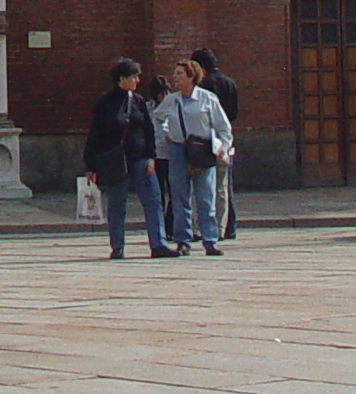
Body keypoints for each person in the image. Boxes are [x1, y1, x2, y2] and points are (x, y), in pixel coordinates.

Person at [82, 58, 172, 259]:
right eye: (133, 77)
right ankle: (117, 246)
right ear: (121, 78)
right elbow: (94, 134)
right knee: (116, 203)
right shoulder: (105, 102)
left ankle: (159, 244)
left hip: (140, 157)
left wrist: (151, 156)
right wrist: (90, 165)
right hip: (115, 160)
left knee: (153, 200)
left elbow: (148, 130)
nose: (137, 81)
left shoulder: (138, 101)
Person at [154, 57, 233, 257]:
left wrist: (221, 147)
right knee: (180, 197)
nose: (175, 78)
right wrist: (165, 134)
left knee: (205, 196)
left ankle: (210, 240)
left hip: (202, 150)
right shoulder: (171, 100)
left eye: (180, 74)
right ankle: (183, 240)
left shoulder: (207, 99)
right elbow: (156, 118)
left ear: (192, 76)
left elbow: (223, 127)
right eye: (174, 74)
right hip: (179, 150)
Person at [191, 47, 241, 239]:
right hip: (225, 138)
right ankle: (229, 226)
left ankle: (204, 228)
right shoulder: (229, 83)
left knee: (204, 187)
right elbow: (234, 113)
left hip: (204, 140)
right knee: (224, 187)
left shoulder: (203, 87)